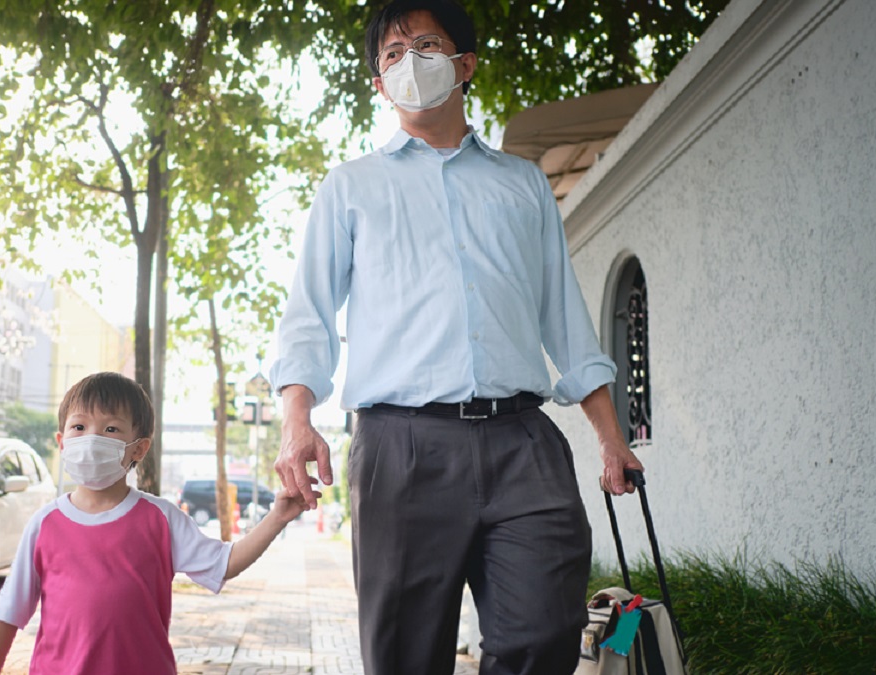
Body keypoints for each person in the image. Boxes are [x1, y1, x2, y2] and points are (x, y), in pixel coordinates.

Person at [268, 1, 646, 673]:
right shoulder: (351, 188)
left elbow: (565, 317)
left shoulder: (523, 185)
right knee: (405, 656)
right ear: (379, 84)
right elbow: (309, 316)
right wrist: (297, 419)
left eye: (426, 45)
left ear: (464, 64)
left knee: (542, 635)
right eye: (391, 55)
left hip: (523, 442)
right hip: (401, 445)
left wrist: (610, 435)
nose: (408, 61)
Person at [0, 372, 318, 675]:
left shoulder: (160, 518)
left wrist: (277, 518)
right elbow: (9, 612)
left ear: (139, 448)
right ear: (62, 441)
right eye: (79, 427)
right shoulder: (45, 524)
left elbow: (224, 563)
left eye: (111, 429)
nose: (92, 438)